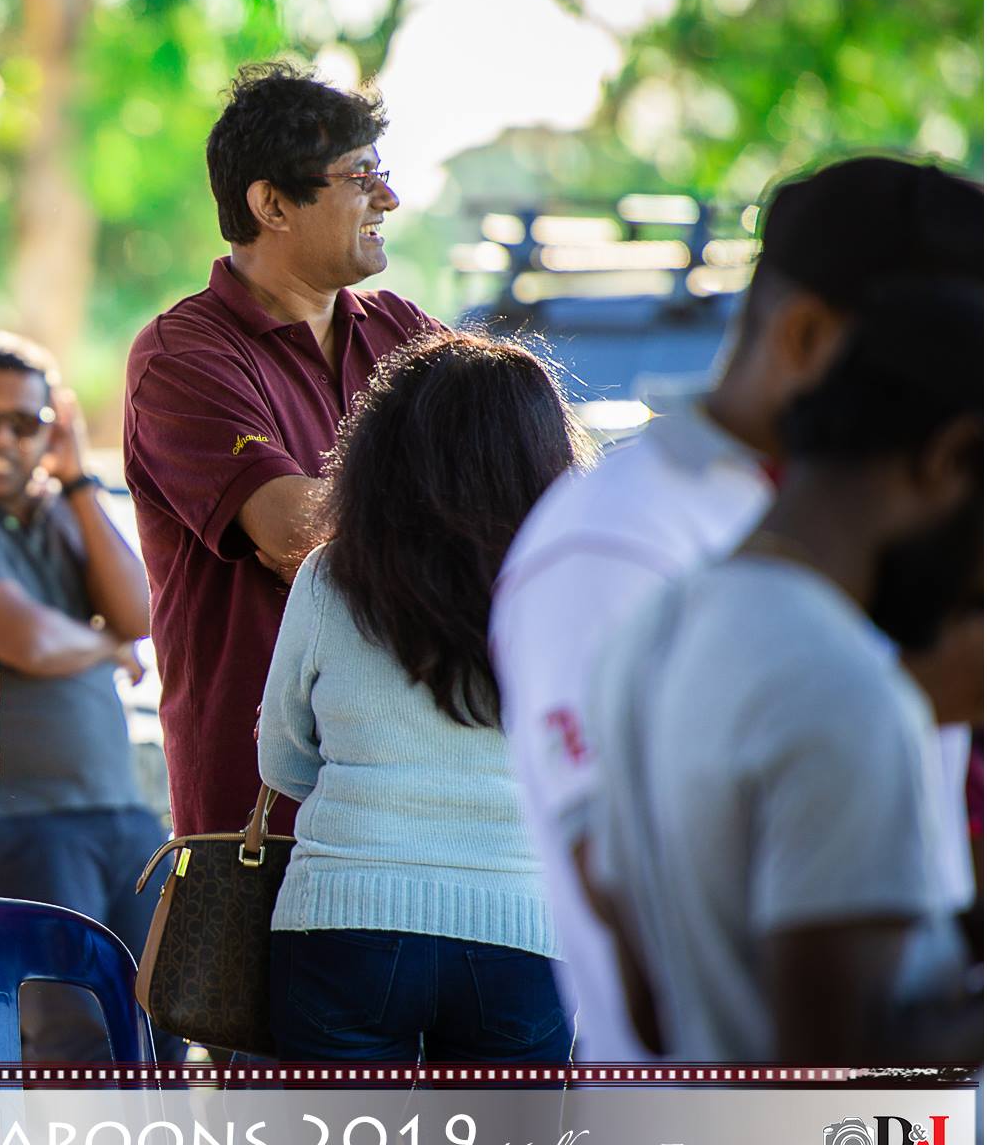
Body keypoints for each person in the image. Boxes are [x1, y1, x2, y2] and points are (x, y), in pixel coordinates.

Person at [490, 157, 985, 1061]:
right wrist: (907, 693)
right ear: (805, 337)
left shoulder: (848, 531)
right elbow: (650, 917)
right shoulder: (613, 539)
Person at [583, 281, 983, 1064]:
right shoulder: (844, 687)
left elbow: (654, 1002)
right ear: (949, 459)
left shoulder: (656, 629)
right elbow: (831, 1083)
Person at [123, 62, 443, 846]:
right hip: (264, 816)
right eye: (360, 176)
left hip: (421, 791)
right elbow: (295, 534)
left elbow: (513, 496)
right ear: (270, 204)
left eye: (383, 173)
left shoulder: (403, 331)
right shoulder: (181, 353)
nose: (388, 199)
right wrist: (438, 517)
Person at [262, 334, 584, 1066]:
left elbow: (282, 757)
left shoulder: (329, 576)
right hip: (521, 931)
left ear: (384, 446)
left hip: (340, 924)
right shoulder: (570, 589)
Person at [0, 334, 181, 1063]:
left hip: (121, 814)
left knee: (159, 1025)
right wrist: (105, 648)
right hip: (26, 820)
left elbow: (140, 613)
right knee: (72, 1034)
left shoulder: (61, 508)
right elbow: (28, 641)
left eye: (24, 423)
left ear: (52, 427)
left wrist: (75, 480)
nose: (3, 439)